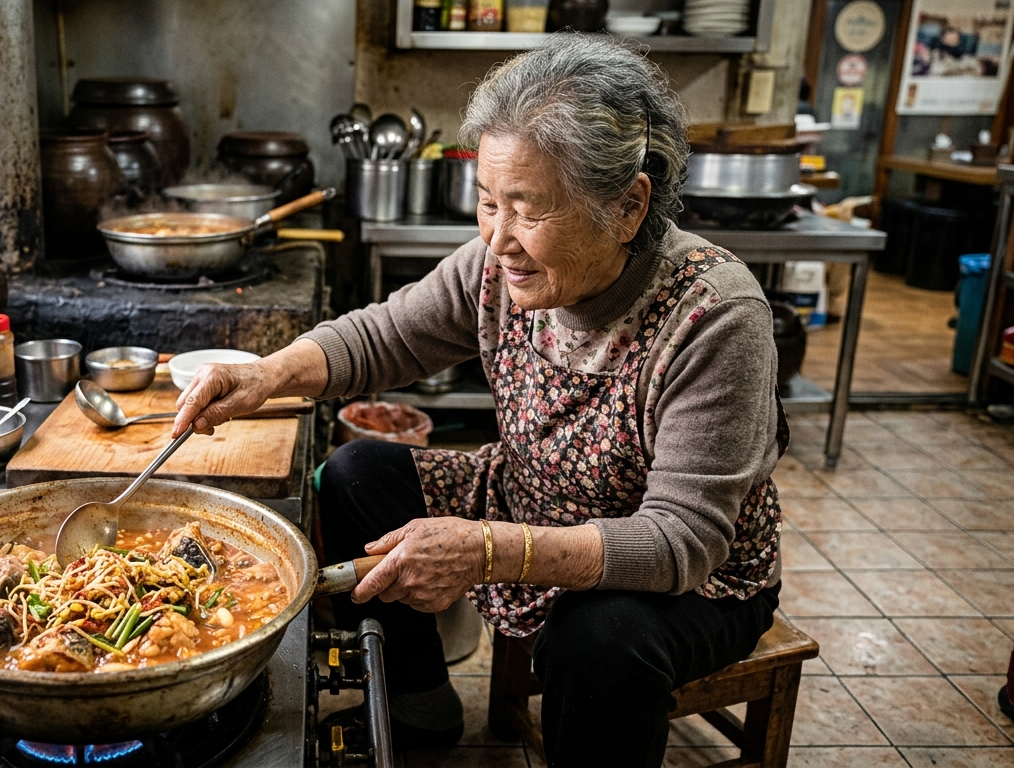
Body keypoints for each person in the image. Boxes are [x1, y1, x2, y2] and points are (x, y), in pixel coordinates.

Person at [172, 35, 785, 767]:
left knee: (597, 638)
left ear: (626, 206)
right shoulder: (498, 269)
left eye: (526, 210)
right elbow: (382, 339)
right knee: (357, 474)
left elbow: (679, 542)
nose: (499, 239)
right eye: (488, 203)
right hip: (533, 498)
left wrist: (487, 549)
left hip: (695, 578)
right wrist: (264, 376)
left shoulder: (714, 314)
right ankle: (419, 701)